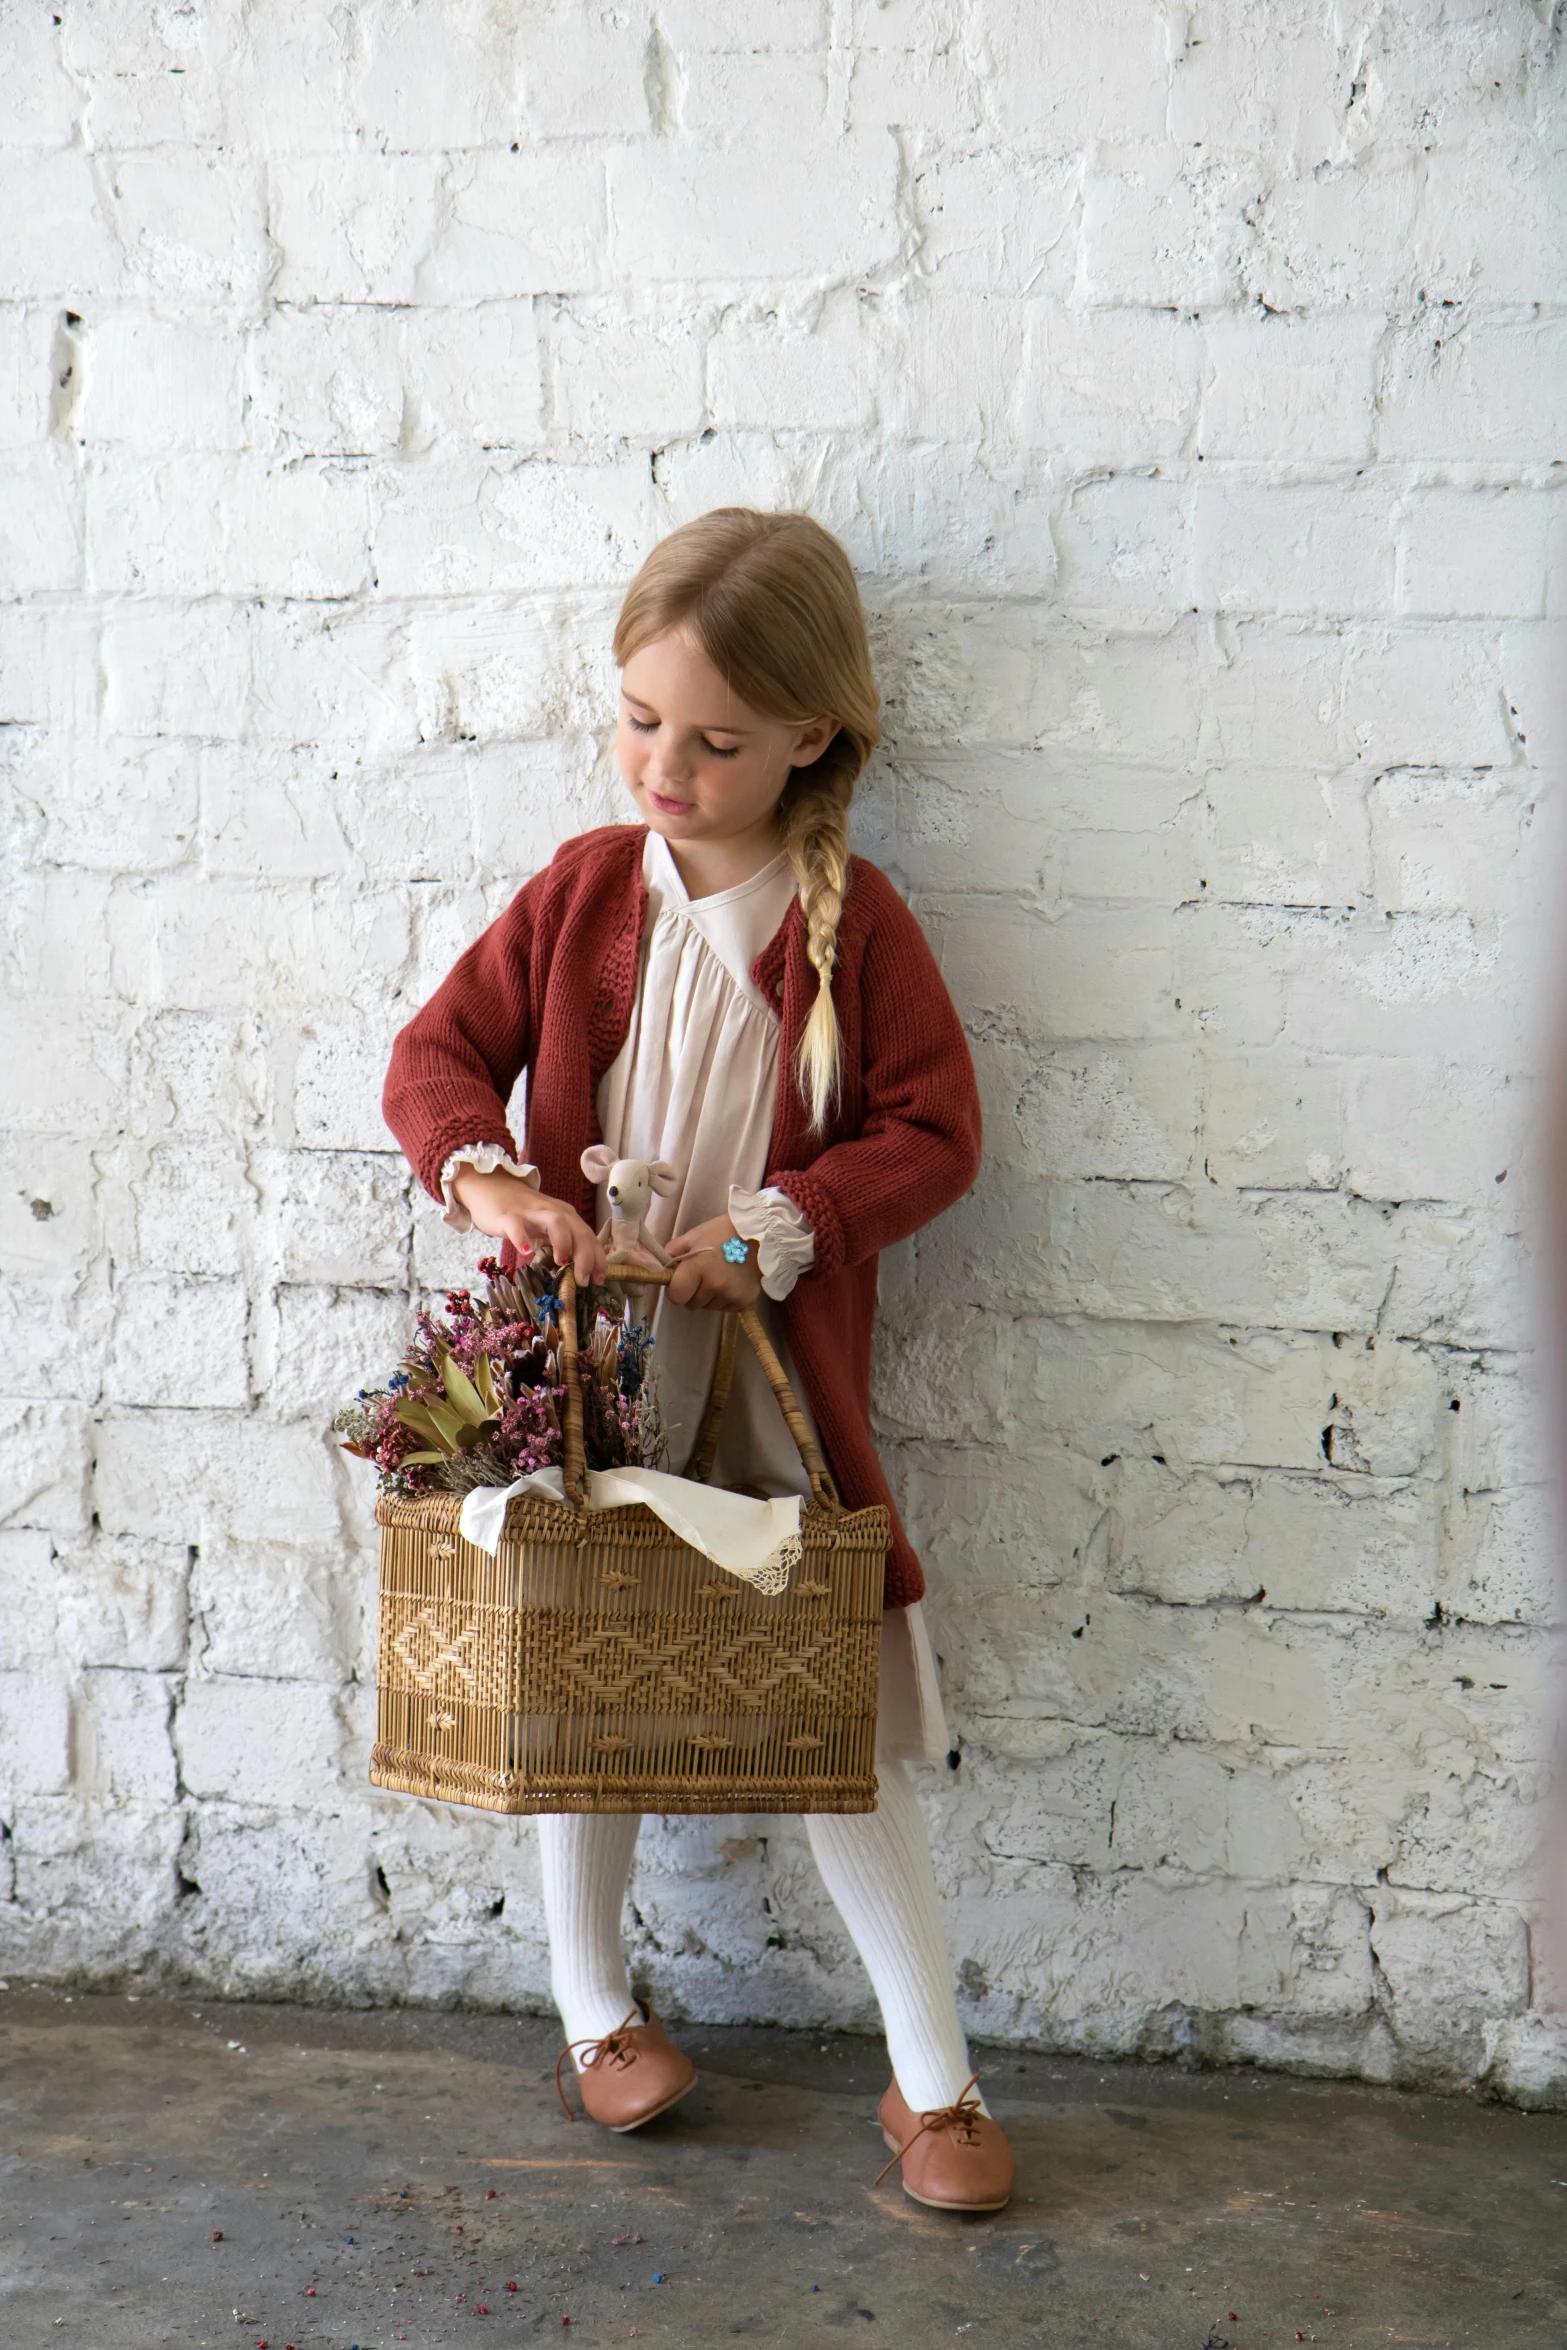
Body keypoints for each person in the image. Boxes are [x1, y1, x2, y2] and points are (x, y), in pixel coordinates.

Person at [382, 507, 1015, 2213]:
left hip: (761, 1385)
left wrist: (784, 1222)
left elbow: (934, 1133)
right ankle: (595, 2010)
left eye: (716, 740)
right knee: (578, 1679)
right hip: (592, 1378)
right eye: (639, 720)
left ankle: (932, 2079)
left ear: (813, 735)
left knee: (827, 1710)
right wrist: (499, 1179)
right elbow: (436, 1055)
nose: (665, 765)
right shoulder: (585, 895)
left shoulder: (851, 922)